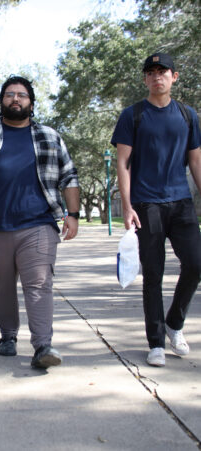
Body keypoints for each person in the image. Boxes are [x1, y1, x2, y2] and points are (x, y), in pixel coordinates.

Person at [0, 76, 79, 369]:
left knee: (39, 284)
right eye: (10, 94)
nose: (16, 99)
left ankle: (42, 345)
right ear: (2, 101)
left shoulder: (49, 136)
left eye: (22, 95)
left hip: (37, 223)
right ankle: (8, 334)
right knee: (1, 287)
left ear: (31, 102)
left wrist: (72, 214)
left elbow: (68, 176)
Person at [111, 53, 201, 367]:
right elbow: (122, 164)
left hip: (181, 203)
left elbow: (196, 161)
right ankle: (156, 342)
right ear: (145, 79)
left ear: (174, 77)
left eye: (162, 71)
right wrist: (127, 206)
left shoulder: (188, 116)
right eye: (150, 72)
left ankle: (174, 323)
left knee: (196, 264)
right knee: (153, 275)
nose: (156, 76)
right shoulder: (132, 115)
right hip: (146, 204)